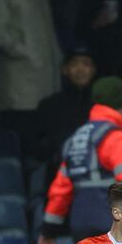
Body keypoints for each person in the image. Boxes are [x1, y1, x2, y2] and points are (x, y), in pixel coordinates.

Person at [38, 76, 122, 244]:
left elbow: (60, 189)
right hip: (112, 223)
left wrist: (49, 229)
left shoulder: (76, 138)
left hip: (80, 226)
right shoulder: (117, 138)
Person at [0, 0, 63, 157]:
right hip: (19, 86)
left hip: (48, 82)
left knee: (43, 151)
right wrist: (24, 52)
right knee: (22, 146)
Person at [34, 48, 98, 193]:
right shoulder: (49, 105)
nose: (80, 69)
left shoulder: (102, 106)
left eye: (86, 64)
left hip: (96, 179)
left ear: (94, 70)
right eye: (74, 64)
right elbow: (38, 144)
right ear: (65, 70)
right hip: (59, 179)